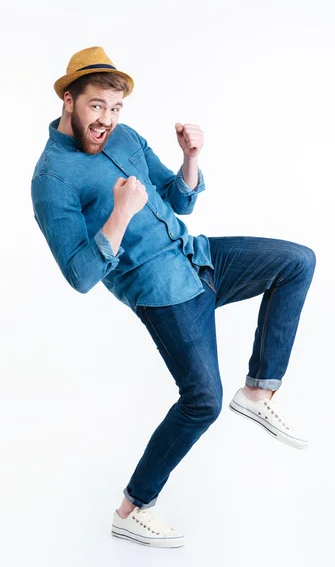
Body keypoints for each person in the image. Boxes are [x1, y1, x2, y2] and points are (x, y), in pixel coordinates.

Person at [31, 46, 317, 549]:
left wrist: (190, 159)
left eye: (115, 109)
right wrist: (118, 215)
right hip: (162, 293)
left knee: (297, 261)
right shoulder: (51, 179)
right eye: (97, 106)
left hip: (199, 259)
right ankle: (132, 509)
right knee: (202, 401)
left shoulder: (125, 137)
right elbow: (79, 275)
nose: (106, 120)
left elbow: (180, 198)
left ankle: (258, 391)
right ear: (69, 100)